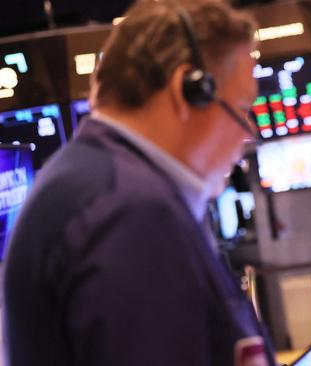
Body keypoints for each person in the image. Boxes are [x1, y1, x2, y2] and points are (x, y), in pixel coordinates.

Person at [3, 1, 275, 365]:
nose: (247, 135)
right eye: (242, 110)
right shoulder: (132, 215)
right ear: (188, 90)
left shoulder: (92, 178)